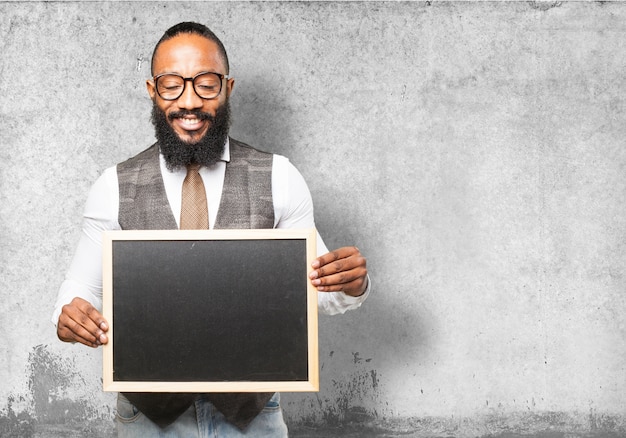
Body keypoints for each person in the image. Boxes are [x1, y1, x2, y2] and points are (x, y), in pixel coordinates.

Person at [52, 22, 370, 437]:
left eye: (205, 84)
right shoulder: (113, 185)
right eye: (171, 85)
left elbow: (314, 294)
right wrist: (69, 315)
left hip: (252, 416)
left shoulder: (279, 177)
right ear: (152, 90)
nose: (189, 102)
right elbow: (80, 290)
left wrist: (349, 284)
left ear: (227, 88)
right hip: (148, 419)